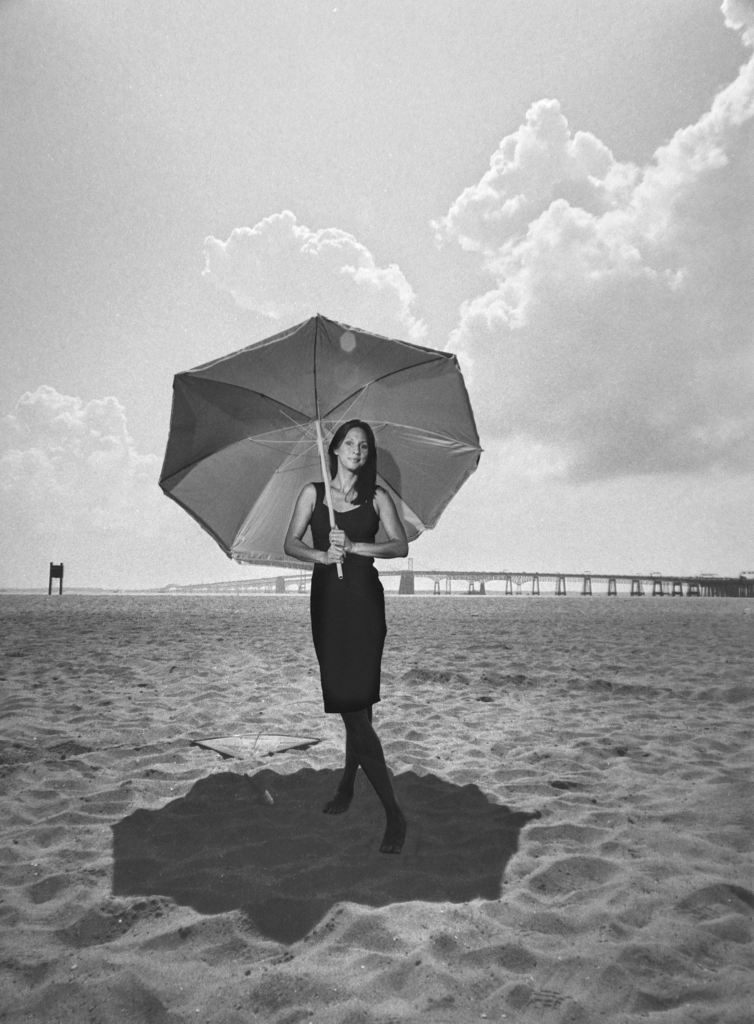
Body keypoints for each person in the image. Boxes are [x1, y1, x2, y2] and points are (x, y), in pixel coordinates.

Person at [284, 420, 409, 854]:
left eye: (364, 445)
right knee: (352, 708)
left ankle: (393, 814)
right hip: (328, 605)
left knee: (357, 711)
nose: (357, 450)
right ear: (334, 449)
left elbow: (400, 546)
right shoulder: (312, 493)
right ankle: (347, 785)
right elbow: (290, 543)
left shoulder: (377, 496)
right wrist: (323, 554)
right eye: (350, 443)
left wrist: (355, 548)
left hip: (365, 605)